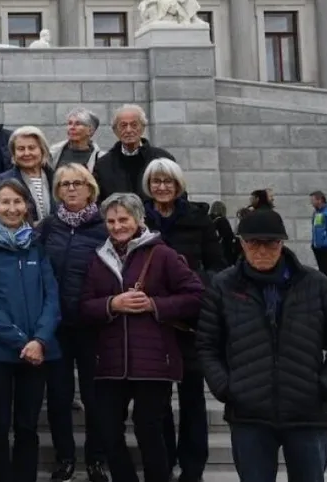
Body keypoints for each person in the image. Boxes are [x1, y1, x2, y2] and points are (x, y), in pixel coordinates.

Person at [197, 208, 327, 482]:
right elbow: (207, 345)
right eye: (253, 242)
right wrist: (226, 386)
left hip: (307, 413)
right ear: (241, 243)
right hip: (249, 414)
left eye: (270, 243)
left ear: (282, 244)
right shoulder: (224, 286)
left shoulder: (315, 284)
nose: (261, 250)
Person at [80, 193, 203, 482]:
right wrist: (112, 304)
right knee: (109, 430)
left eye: (123, 219)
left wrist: (154, 305)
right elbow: (84, 306)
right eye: (110, 221)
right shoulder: (99, 258)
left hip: (154, 359)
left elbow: (196, 295)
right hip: (110, 360)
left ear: (138, 220)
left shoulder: (162, 254)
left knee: (149, 429)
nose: (117, 226)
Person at [0, 179, 61, 482]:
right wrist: (22, 341)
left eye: (18, 202)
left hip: (37, 351)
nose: (12, 208)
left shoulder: (36, 244)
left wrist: (40, 339)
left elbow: (52, 297)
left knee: (27, 426)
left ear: (27, 206)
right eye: (5, 202)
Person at [142, 159, 225, 482]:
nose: (162, 187)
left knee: (192, 397)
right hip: (154, 318)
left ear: (179, 185)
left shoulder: (199, 219)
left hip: (191, 319)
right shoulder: (142, 219)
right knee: (158, 399)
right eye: (156, 181)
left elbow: (219, 266)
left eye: (168, 181)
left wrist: (192, 282)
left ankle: (193, 468)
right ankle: (164, 461)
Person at [37, 164, 109, 482]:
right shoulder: (47, 227)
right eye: (64, 184)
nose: (70, 189)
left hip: (93, 325)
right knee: (59, 395)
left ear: (90, 188)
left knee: (95, 397)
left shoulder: (104, 227)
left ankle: (96, 459)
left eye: (77, 183)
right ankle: (64, 457)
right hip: (57, 325)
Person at [91, 105, 175, 201]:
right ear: (115, 130)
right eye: (123, 125)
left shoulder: (162, 159)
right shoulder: (103, 164)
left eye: (134, 125)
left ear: (143, 128)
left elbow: (178, 193)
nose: (129, 130)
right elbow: (97, 201)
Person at [0, 126, 54, 224]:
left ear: (42, 150)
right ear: (13, 153)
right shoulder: (3, 181)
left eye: (32, 148)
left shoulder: (56, 178)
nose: (26, 153)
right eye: (21, 149)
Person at [49, 108, 104, 172]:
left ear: (90, 131)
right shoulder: (53, 153)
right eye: (70, 123)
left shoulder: (100, 158)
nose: (72, 127)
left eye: (78, 124)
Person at [209, 201, 240, 265]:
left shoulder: (208, 219)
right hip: (223, 250)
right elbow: (228, 236)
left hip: (211, 249)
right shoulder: (223, 220)